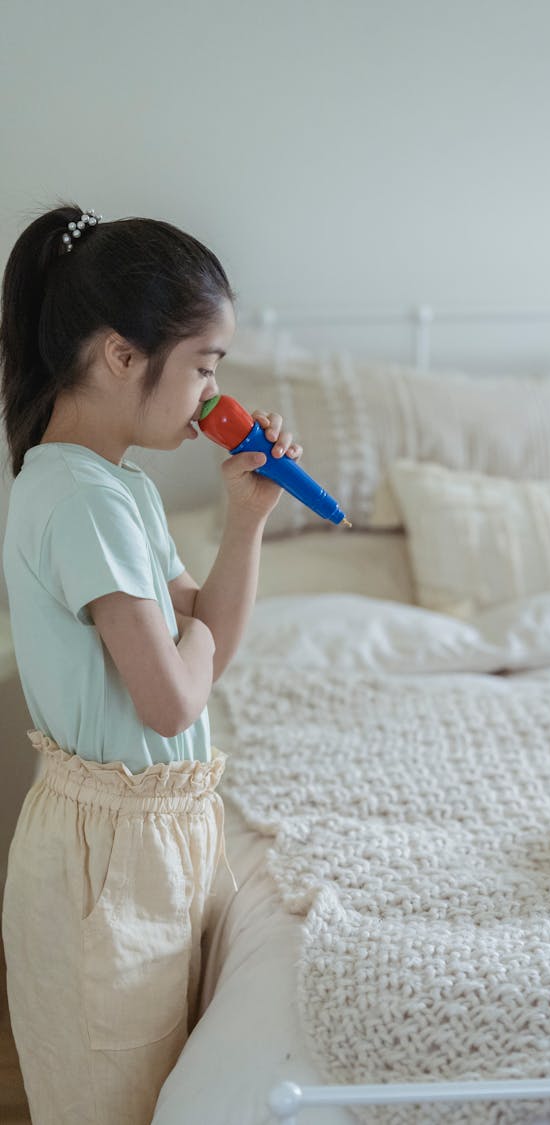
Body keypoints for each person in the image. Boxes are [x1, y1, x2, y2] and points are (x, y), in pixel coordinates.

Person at [0, 203, 302, 1124]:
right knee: (112, 1101)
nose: (213, 393)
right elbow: (173, 699)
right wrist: (198, 638)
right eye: (204, 366)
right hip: (107, 863)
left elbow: (209, 634)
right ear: (122, 355)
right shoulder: (79, 498)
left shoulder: (118, 484)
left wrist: (245, 520)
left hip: (155, 839)